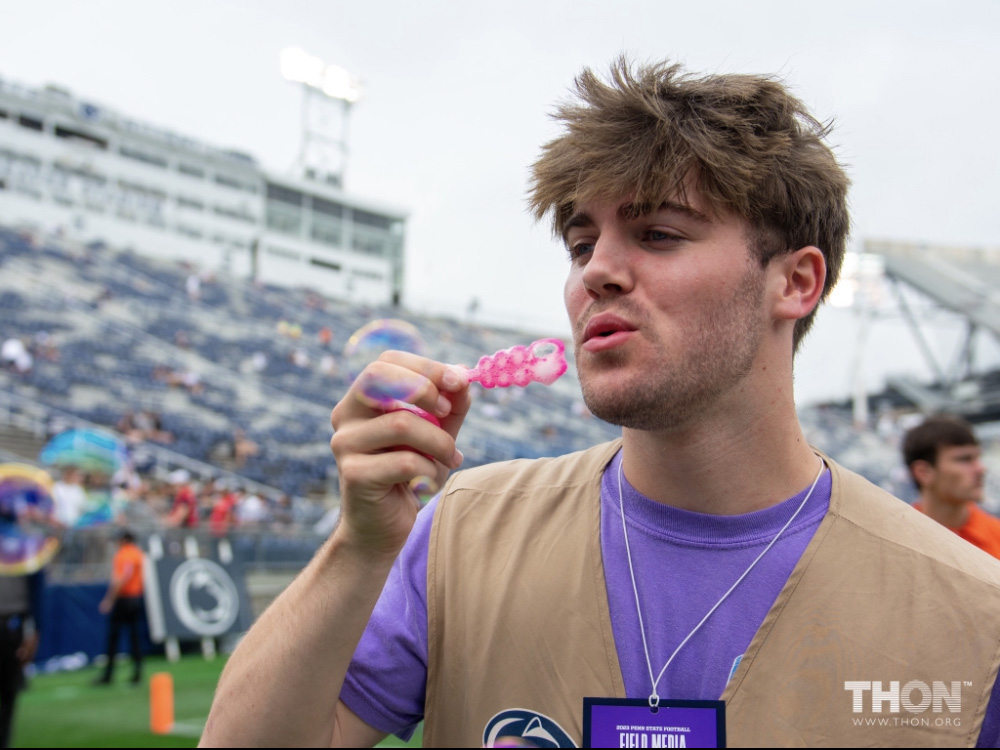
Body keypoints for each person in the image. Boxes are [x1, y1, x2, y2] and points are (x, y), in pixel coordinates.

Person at [202, 58, 1000, 747]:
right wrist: (357, 547)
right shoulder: (461, 529)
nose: (596, 273)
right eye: (582, 245)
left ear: (795, 282)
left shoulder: (974, 613)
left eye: (657, 234)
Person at [903, 415, 999, 557]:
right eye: (964, 459)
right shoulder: (898, 540)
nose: (980, 469)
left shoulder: (995, 535)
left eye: (978, 458)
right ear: (923, 472)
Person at [94, 529, 144, 685]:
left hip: (124, 599)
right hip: (136, 598)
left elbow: (121, 578)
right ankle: (137, 673)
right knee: (134, 637)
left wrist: (109, 599)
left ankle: (108, 674)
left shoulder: (123, 555)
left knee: (113, 638)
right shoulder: (138, 553)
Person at [0, 572, 43, 749]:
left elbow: (37, 586)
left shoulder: (23, 547)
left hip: (13, 624)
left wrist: (34, 629)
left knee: (7, 696)